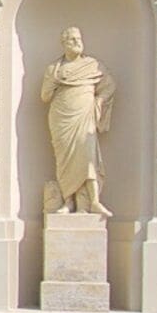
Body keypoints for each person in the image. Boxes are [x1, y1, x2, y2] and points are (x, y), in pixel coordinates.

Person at [38, 26, 107, 217]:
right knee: (64, 161)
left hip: (84, 118)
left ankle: (93, 202)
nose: (77, 42)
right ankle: (68, 202)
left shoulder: (93, 65)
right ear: (64, 44)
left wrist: (99, 102)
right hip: (61, 119)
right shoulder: (54, 69)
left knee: (88, 158)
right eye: (72, 40)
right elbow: (44, 96)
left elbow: (109, 86)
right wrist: (53, 82)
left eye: (78, 39)